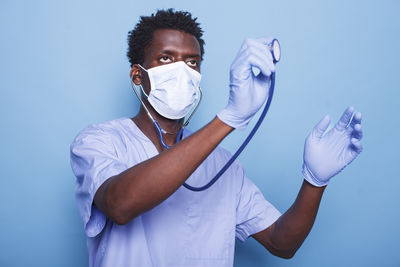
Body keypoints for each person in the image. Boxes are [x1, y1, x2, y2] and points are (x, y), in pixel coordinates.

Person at [70, 9, 363, 267]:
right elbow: (121, 205)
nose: (181, 71)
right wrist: (229, 118)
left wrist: (314, 181)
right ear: (138, 75)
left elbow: (281, 243)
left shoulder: (223, 165)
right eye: (165, 58)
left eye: (192, 62)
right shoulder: (99, 141)